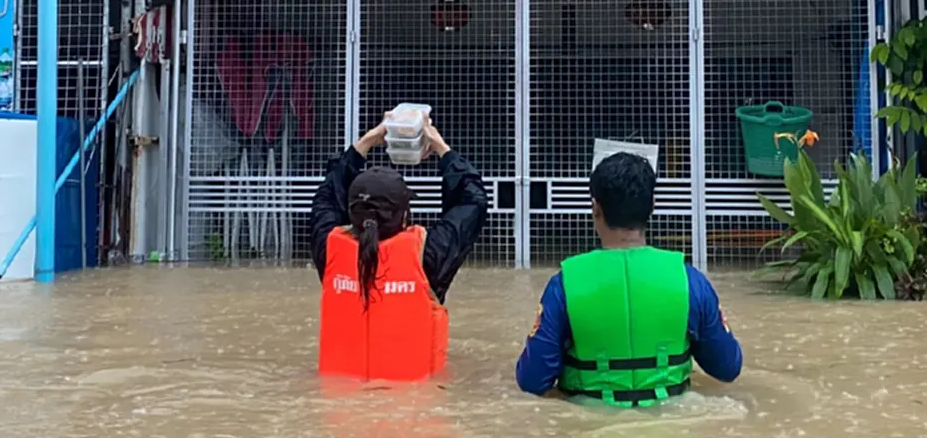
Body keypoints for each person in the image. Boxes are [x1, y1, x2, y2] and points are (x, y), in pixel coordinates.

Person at [516, 152, 742, 407]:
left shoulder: (564, 285)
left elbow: (532, 380)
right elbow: (727, 366)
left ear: (595, 208)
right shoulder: (690, 282)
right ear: (652, 205)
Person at [312, 113, 488, 381]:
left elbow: (327, 195)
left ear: (350, 211)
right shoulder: (428, 256)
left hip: (337, 411)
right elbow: (473, 201)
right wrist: (440, 146)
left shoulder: (329, 249)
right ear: (405, 213)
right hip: (412, 412)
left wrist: (368, 140)